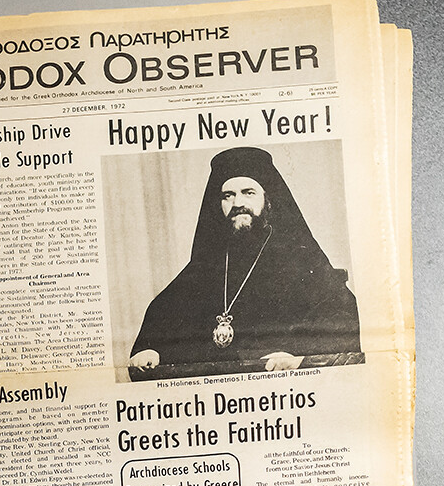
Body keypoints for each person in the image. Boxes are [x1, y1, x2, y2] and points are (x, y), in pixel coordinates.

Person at [128, 145, 360, 378]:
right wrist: (151, 349)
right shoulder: (208, 261)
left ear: (268, 199)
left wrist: (297, 354)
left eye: (248, 192)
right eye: (228, 195)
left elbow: (341, 315)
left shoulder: (299, 257)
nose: (237, 202)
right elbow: (164, 313)